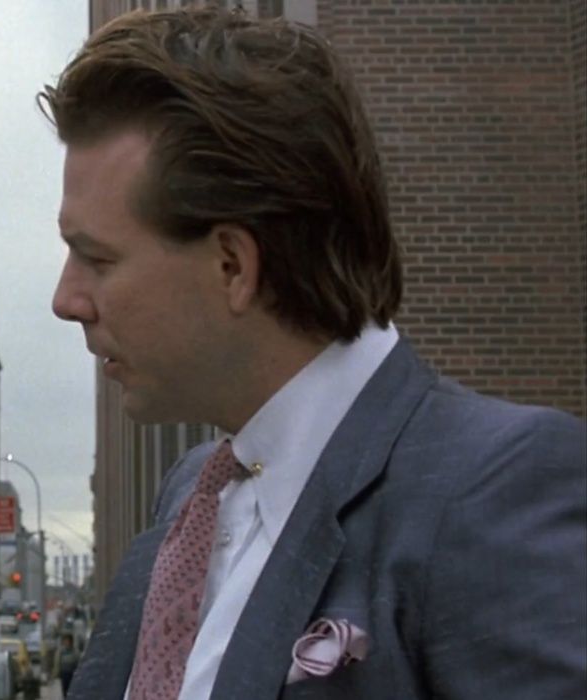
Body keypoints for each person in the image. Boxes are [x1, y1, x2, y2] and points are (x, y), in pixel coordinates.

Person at [43, 7, 586, 700]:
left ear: (233, 266)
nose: (67, 299)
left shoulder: (495, 493)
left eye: (96, 257)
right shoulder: (188, 495)